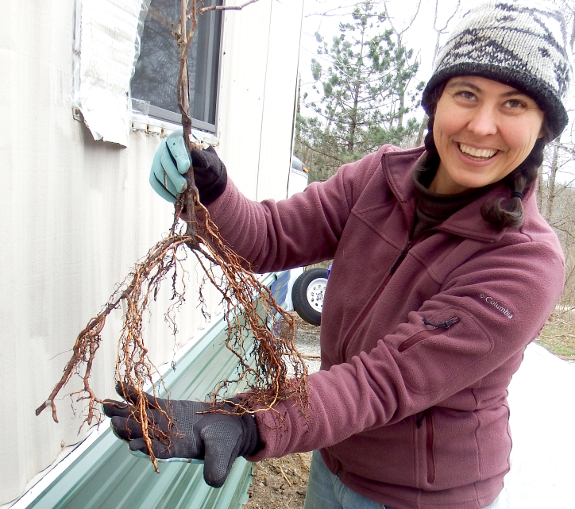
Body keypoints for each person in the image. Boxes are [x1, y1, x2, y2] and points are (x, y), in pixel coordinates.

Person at [103, 2, 573, 508]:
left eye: (514, 104)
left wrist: (249, 423)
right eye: (467, 94)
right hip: (335, 455)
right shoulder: (379, 179)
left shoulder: (525, 264)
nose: (482, 126)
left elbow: (383, 381)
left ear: (543, 126)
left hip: (423, 496)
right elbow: (271, 237)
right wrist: (210, 191)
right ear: (436, 101)